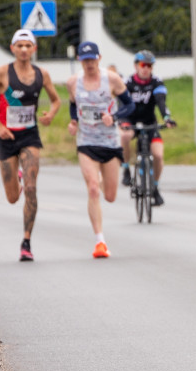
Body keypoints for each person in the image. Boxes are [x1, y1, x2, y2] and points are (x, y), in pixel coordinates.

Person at [0, 29, 62, 261]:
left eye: (28, 45)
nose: (24, 49)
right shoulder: (2, 73)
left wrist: (51, 114)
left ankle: (26, 242)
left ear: (34, 49)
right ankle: (18, 179)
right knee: (13, 197)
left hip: (29, 136)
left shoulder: (42, 74)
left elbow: (56, 99)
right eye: (19, 45)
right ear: (13, 48)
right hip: (5, 138)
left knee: (32, 188)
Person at [66, 41, 135, 259]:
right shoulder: (73, 82)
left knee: (111, 195)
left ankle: (100, 236)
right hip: (86, 143)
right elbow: (72, 105)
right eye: (85, 60)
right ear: (80, 60)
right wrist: (73, 121)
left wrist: (113, 117)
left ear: (99, 58)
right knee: (93, 188)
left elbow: (130, 105)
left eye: (92, 59)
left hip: (110, 142)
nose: (89, 64)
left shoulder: (111, 80)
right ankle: (100, 242)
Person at [119, 50, 176, 207]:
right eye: (143, 65)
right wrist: (119, 118)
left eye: (150, 66)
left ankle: (155, 187)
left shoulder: (156, 82)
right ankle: (125, 169)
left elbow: (161, 102)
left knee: (157, 155)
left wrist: (167, 118)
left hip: (149, 121)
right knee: (124, 136)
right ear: (136, 66)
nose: (146, 69)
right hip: (129, 119)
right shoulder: (127, 82)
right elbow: (121, 102)